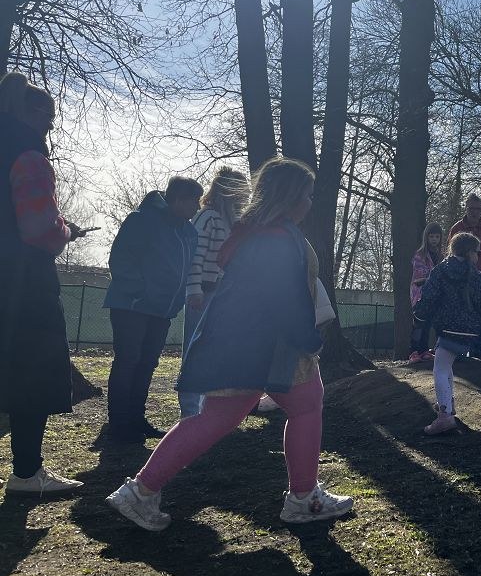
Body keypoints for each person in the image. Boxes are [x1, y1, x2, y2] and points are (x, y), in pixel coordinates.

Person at [106, 157, 354, 531]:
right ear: (290, 198)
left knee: (218, 416)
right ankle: (303, 498)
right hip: (272, 346)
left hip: (240, 344)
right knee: (305, 406)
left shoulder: (253, 232)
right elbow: (284, 299)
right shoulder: (278, 239)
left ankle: (139, 492)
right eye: (307, 195)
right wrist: (307, 338)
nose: (310, 202)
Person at [0, 72, 90, 494]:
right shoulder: (28, 155)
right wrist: (65, 231)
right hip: (22, 285)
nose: (50, 128)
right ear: (33, 114)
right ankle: (26, 473)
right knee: (29, 377)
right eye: (49, 120)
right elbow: (38, 229)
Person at [103, 176, 201, 444]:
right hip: (132, 306)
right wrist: (137, 293)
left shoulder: (189, 231)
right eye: (194, 201)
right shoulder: (141, 220)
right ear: (178, 199)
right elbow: (121, 258)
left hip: (162, 310)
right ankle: (119, 424)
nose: (197, 207)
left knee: (146, 364)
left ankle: (136, 418)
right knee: (128, 361)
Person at [179, 167, 249, 418]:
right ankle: (189, 411)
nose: (244, 197)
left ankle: (206, 409)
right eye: (240, 192)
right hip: (203, 293)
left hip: (220, 295)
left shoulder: (229, 222)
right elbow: (194, 256)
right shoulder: (207, 217)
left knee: (212, 351)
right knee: (194, 351)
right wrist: (193, 289)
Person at [413, 232, 481, 435]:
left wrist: (419, 317)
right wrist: (477, 328)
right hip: (468, 331)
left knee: (439, 369)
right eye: (477, 252)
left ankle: (445, 415)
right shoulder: (478, 275)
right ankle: (449, 404)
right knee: (446, 366)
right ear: (468, 251)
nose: (478, 256)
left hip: (447, 327)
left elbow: (429, 296)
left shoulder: (441, 270)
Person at [407, 222, 443, 364]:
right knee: (418, 324)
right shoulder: (420, 255)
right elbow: (419, 275)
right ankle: (413, 351)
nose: (434, 240)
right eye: (431, 236)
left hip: (433, 295)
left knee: (428, 323)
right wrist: (434, 276)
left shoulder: (441, 256)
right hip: (420, 294)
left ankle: (423, 350)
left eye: (437, 237)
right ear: (426, 237)